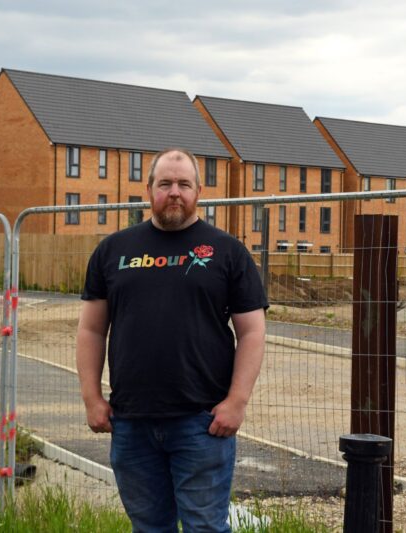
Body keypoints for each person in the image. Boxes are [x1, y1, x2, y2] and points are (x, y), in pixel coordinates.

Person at [76, 147, 267, 532]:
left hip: (203, 422)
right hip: (131, 421)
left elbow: (253, 331)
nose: (174, 192)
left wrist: (236, 402)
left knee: (205, 527)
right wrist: (92, 398)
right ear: (149, 190)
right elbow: (91, 329)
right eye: (165, 183)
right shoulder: (113, 250)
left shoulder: (227, 252)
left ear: (199, 192)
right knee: (149, 528)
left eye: (184, 184)